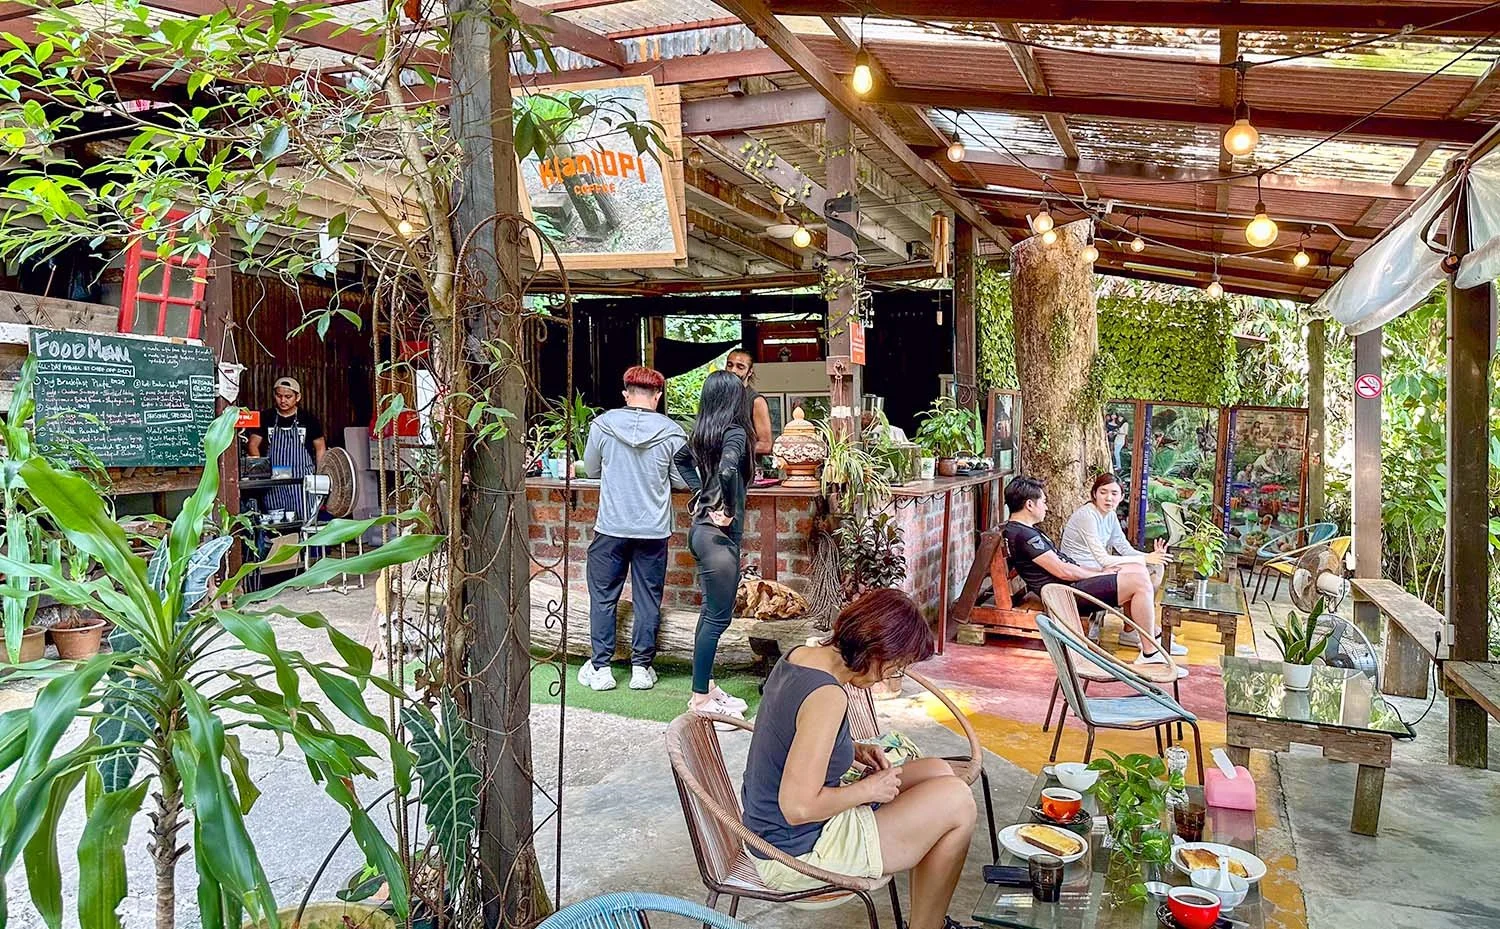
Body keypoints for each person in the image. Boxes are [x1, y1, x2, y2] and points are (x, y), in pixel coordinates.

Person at [742, 589, 978, 929]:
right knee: (957, 801)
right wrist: (869, 790)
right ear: (876, 650)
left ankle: (929, 920)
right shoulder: (828, 696)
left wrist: (850, 748)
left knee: (938, 771)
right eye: (894, 666)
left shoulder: (801, 656)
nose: (887, 677)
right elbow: (798, 807)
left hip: (769, 831)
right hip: (795, 854)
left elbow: (793, 731)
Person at [577, 366, 687, 693]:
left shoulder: (603, 425)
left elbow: (592, 469)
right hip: (653, 530)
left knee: (603, 598)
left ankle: (601, 668)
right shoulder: (672, 432)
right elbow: (681, 480)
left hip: (611, 526)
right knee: (648, 598)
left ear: (626, 394)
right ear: (658, 396)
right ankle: (641, 668)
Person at [1001, 476, 1179, 667]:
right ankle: (1150, 652)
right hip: (1064, 595)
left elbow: (1066, 567)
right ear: (1029, 504)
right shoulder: (1024, 535)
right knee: (1139, 582)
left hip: (1068, 588)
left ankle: (1140, 634)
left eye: (1114, 493)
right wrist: (1100, 573)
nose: (1046, 507)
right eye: (1043, 502)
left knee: (1137, 572)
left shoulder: (1025, 531)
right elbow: (1063, 571)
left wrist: (1101, 571)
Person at [674, 370, 755, 717]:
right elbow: (727, 470)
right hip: (718, 538)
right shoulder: (735, 432)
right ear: (735, 400)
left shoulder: (703, 433)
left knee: (709, 616)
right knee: (716, 621)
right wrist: (727, 507)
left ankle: (705, 688)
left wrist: (698, 493)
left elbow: (679, 461)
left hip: (701, 534)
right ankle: (701, 701)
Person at [1059, 473, 1183, 655]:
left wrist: (1151, 557)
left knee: (1152, 569)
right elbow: (1103, 559)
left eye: (1114, 493)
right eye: (1103, 492)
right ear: (1094, 494)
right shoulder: (1087, 516)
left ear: (1122, 497)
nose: (1109, 498)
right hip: (1082, 576)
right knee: (1139, 574)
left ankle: (1133, 630)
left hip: (1098, 570)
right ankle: (1147, 634)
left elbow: (1124, 548)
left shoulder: (1109, 515)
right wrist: (1144, 560)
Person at [245, 376, 325, 518]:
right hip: (275, 480)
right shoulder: (266, 417)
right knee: (277, 520)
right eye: (279, 396)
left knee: (305, 519)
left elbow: (320, 448)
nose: (283, 400)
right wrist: (261, 469)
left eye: (288, 396)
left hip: (302, 479)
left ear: (297, 397)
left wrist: (319, 476)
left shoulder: (308, 419)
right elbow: (253, 444)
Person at [725, 348, 775, 456]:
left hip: (747, 469)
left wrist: (730, 449)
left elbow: (766, 445)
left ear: (750, 371)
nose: (733, 370)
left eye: (740, 367)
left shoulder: (756, 401)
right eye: (730, 365)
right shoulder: (720, 397)